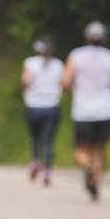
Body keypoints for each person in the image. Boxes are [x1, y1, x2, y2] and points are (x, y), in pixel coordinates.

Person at [62, 21, 110, 201]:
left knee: (81, 150)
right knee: (100, 150)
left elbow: (66, 82)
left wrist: (75, 90)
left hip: (82, 110)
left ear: (86, 38)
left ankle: (86, 168)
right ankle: (96, 185)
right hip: (105, 110)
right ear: (104, 39)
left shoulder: (76, 56)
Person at [21, 37, 64, 186]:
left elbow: (26, 81)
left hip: (34, 105)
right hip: (52, 105)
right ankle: (47, 170)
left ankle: (35, 161)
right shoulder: (59, 65)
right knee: (49, 141)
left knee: (35, 137)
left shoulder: (30, 63)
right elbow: (64, 82)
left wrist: (25, 94)